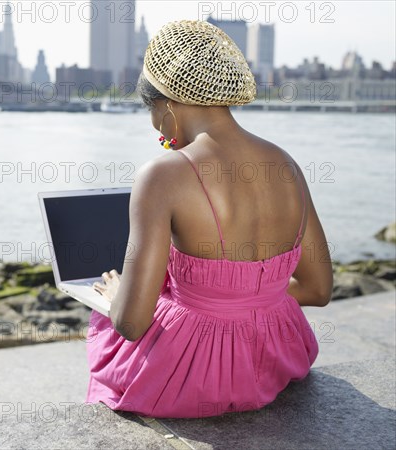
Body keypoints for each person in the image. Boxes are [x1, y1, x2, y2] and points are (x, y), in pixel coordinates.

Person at [86, 20, 333, 419]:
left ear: (167, 104)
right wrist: (249, 302)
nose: (155, 127)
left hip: (193, 373)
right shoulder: (286, 165)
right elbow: (319, 290)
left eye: (150, 111)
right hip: (279, 358)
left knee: (106, 323)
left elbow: (132, 324)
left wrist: (115, 300)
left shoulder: (162, 174)